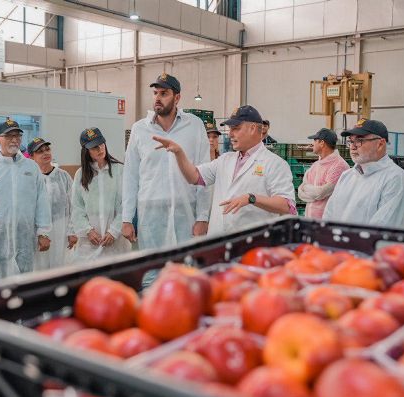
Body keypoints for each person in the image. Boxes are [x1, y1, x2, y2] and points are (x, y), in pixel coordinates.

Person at [154, 105, 295, 236]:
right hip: (220, 239)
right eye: (230, 129)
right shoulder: (225, 160)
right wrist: (179, 153)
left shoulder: (275, 164)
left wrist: (251, 198)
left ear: (252, 128)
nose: (230, 134)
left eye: (235, 128)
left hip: (251, 244)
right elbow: (194, 177)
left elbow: (286, 205)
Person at [122, 73, 211, 250]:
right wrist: (127, 218)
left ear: (177, 98)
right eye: (155, 93)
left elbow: (204, 173)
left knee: (185, 268)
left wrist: (202, 217)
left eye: (164, 94)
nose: (157, 98)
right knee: (151, 270)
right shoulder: (140, 129)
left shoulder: (194, 126)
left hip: (185, 212)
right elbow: (130, 176)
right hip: (150, 214)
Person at [0, 118, 51, 282]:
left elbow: (41, 199)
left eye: (17, 136)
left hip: (25, 237)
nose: (14, 140)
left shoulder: (31, 167)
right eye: (8, 136)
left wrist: (43, 231)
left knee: (24, 281)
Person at [323, 119, 404, 228]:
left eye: (359, 140)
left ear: (380, 144)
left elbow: (380, 230)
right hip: (338, 244)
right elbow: (328, 216)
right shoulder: (346, 176)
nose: (353, 146)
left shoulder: (396, 179)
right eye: (351, 141)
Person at [71, 128, 130, 262]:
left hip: (116, 242)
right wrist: (88, 231)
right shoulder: (81, 175)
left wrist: (114, 231)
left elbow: (125, 204)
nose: (100, 149)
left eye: (102, 144)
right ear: (86, 151)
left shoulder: (119, 170)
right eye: (94, 147)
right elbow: (77, 208)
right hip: (90, 243)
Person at [27, 137, 76, 271]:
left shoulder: (63, 176)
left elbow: (74, 204)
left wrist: (72, 231)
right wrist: (38, 233)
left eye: (47, 149)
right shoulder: (30, 178)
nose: (45, 153)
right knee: (39, 270)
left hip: (62, 230)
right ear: (31, 157)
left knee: (61, 268)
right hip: (39, 233)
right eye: (40, 151)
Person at [297, 128, 350, 219]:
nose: (312, 143)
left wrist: (306, 188)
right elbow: (300, 192)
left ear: (322, 143)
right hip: (310, 221)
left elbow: (321, 192)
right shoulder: (315, 165)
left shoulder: (339, 166)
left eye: (315, 140)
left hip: (327, 224)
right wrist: (309, 190)